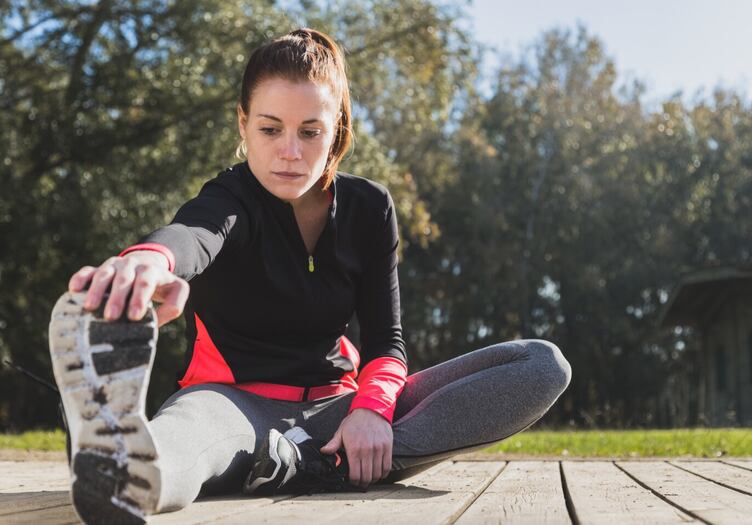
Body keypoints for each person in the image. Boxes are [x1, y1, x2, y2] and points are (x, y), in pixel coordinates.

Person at [48, 28, 572, 525]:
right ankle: (117, 468)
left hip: (338, 408)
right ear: (243, 124)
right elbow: (192, 234)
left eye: (310, 131)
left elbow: (387, 342)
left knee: (539, 365)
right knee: (180, 446)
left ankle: (310, 461)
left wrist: (369, 412)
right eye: (270, 129)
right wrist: (147, 261)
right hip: (230, 405)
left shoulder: (370, 208)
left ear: (337, 128)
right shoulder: (230, 200)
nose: (290, 152)